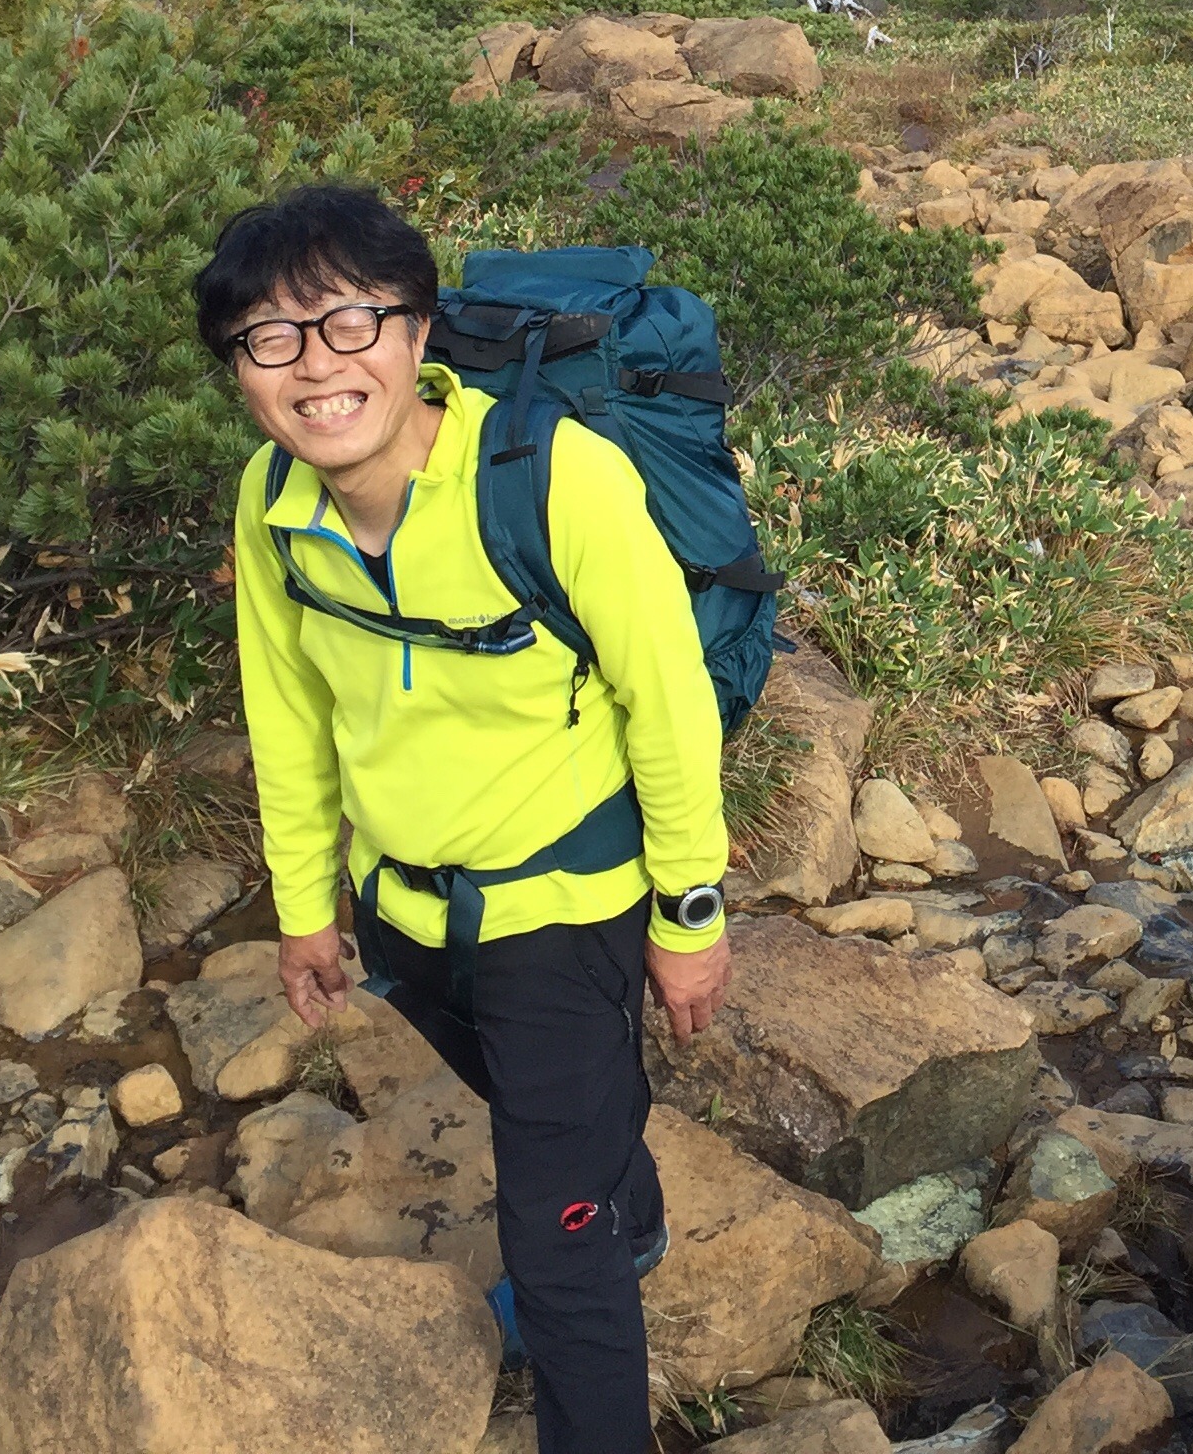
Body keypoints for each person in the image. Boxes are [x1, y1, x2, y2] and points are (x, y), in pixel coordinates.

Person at [196, 183, 732, 1454]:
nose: (315, 369)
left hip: (565, 908)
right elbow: (287, 718)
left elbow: (667, 705)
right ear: (240, 370)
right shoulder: (271, 504)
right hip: (404, 909)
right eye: (270, 339)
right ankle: (627, 1193)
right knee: (542, 1102)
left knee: (557, 1259)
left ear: (418, 334)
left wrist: (690, 909)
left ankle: (603, 1245)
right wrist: (306, 908)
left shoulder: (554, 479)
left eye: (348, 325)